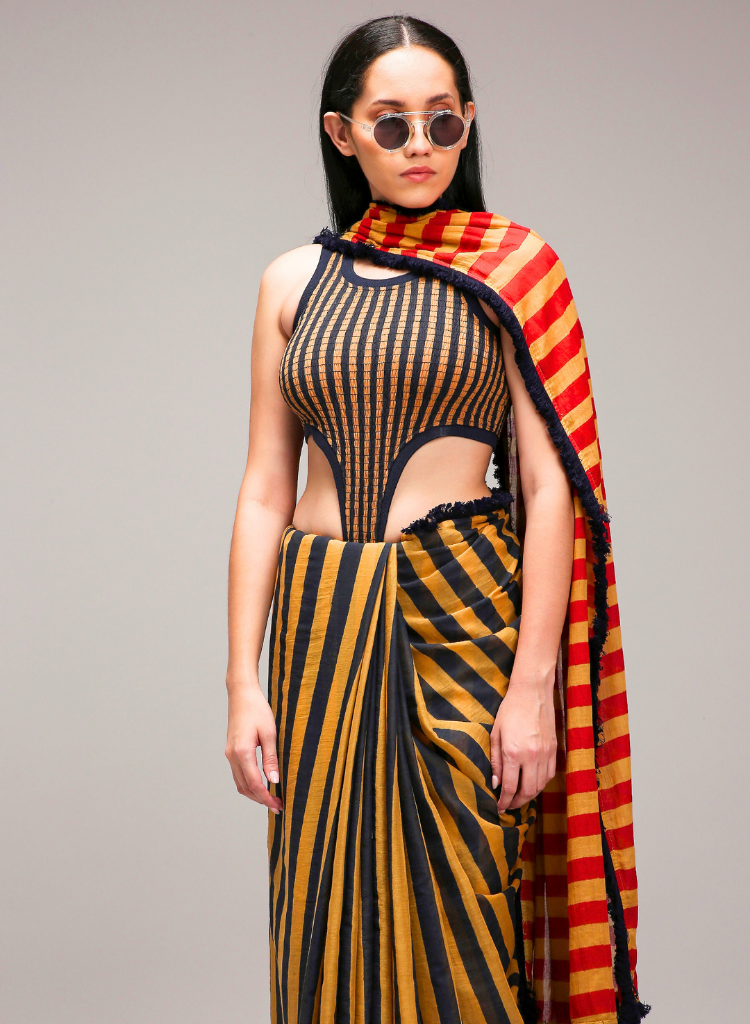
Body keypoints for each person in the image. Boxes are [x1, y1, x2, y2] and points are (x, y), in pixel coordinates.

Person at [225, 15, 649, 1024]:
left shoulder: (515, 270)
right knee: (322, 908)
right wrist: (242, 682)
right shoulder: (291, 281)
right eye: (392, 123)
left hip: (463, 614)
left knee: (466, 909)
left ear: (468, 124)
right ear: (341, 133)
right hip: (321, 622)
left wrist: (533, 687)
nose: (420, 145)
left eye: (443, 122)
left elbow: (549, 489)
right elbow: (264, 488)